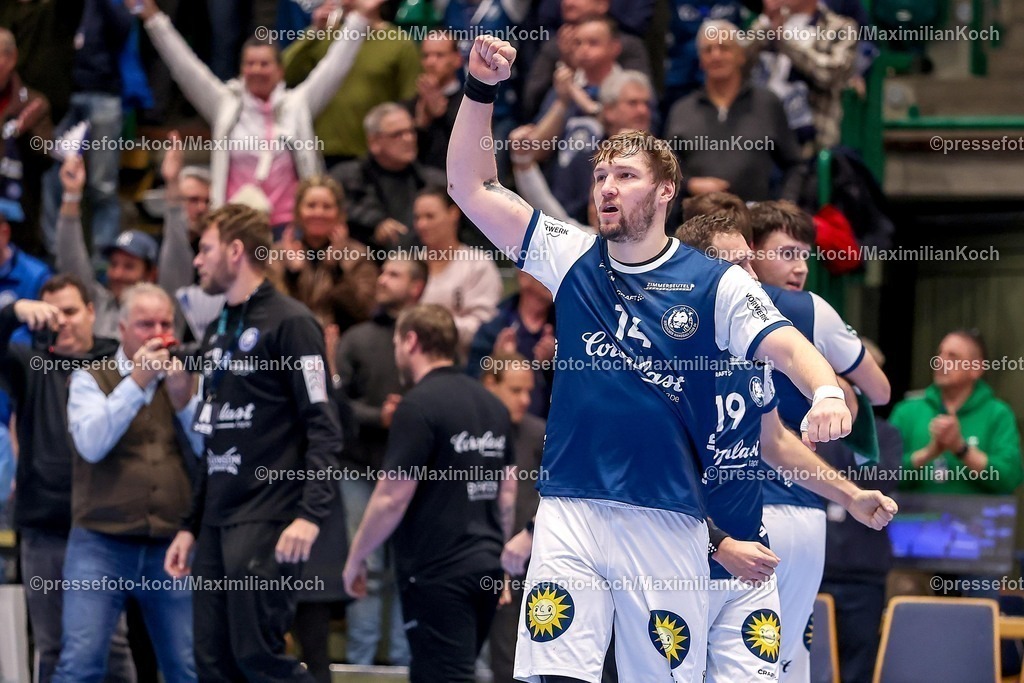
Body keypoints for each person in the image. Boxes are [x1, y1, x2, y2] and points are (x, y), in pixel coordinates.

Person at [447, 36, 856, 682]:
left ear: (665, 191)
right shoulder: (571, 257)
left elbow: (785, 342)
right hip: (571, 505)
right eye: (600, 177)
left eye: (625, 176)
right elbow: (470, 185)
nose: (607, 188)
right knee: (552, 673)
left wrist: (826, 390)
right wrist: (479, 89)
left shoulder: (715, 282)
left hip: (666, 519)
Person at [675, 214, 895, 682]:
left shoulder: (751, 352)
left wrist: (851, 496)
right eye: (739, 265)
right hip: (682, 562)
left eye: (751, 263)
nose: (753, 277)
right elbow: (653, 475)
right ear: (697, 274)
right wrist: (718, 544)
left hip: (751, 561)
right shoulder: (661, 356)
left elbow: (774, 441)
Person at [162, 204, 343, 681]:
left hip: (268, 514)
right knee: (211, 663)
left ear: (236, 250)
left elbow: (323, 426)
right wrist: (191, 525)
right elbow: (213, 435)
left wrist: (310, 514)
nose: (197, 261)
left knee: (258, 659)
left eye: (205, 249)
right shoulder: (218, 329)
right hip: (217, 521)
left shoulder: (292, 323)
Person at [744, 199, 891, 683]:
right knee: (784, 658)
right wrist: (835, 381)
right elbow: (880, 390)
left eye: (805, 256)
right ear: (750, 251)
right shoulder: (808, 310)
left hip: (717, 513)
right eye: (786, 253)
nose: (801, 267)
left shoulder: (692, 303)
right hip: (792, 508)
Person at [342, 304, 517, 682]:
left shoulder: (417, 406)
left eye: (396, 344)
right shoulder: (494, 406)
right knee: (450, 671)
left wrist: (356, 557)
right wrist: (502, 562)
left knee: (442, 676)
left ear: (411, 341)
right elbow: (506, 494)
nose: (396, 353)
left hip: (439, 571)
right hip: (486, 566)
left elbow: (392, 497)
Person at [53, 284, 198, 683]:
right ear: (121, 329)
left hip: (169, 543)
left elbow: (212, 453)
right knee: (80, 664)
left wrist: (186, 403)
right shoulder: (89, 377)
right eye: (145, 324)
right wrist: (135, 383)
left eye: (166, 324)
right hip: (100, 541)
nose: (158, 335)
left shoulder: (184, 378)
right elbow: (91, 444)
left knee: (187, 667)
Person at [133, 0, 383, 225]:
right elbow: (184, 66)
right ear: (241, 70)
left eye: (265, 64)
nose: (257, 70)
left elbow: (334, 68)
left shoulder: (298, 105)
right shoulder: (225, 104)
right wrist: (154, 19)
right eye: (250, 64)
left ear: (280, 71)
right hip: (235, 225)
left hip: (289, 228)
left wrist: (360, 18)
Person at [0, 275, 133, 683]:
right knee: (53, 646)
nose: (62, 322)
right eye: (52, 314)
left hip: (106, 527)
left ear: (92, 312)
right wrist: (13, 312)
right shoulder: (30, 364)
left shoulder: (118, 361)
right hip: (45, 528)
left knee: (112, 647)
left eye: (71, 311)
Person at [334, 256, 427, 666]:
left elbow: (443, 392)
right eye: (382, 272)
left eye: (394, 274)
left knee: (409, 570)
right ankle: (359, 666)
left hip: (413, 474)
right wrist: (379, 417)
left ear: (416, 287)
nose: (382, 279)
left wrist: (409, 414)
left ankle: (406, 666)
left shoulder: (429, 338)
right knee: (366, 570)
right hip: (360, 469)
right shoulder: (357, 338)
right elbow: (336, 406)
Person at [665, 20, 803, 202]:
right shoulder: (682, 110)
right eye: (708, 50)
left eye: (724, 48)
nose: (716, 56)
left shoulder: (767, 104)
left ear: (741, 56)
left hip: (755, 215)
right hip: (696, 216)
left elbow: (795, 165)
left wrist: (785, 205)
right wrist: (689, 184)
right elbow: (664, 173)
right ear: (700, 60)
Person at [56, 154, 192, 340]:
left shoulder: (165, 308)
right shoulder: (97, 304)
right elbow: (70, 259)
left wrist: (173, 184)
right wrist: (71, 194)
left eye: (129, 266)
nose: (118, 274)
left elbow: (177, 254)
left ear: (150, 274)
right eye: (114, 264)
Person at [283, 0, 420, 167]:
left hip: (374, 155)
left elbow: (409, 102)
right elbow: (283, 74)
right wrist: (314, 31)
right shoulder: (325, 34)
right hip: (322, 152)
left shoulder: (399, 43)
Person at [890, 328, 1021, 493]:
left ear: (976, 368)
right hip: (913, 510)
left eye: (953, 356)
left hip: (978, 511)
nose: (940, 361)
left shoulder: (998, 414)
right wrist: (927, 453)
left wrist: (961, 449)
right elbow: (881, 475)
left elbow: (1010, 478)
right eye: (940, 354)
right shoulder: (906, 411)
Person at [481, 352, 546, 683]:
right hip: (481, 557)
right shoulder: (471, 431)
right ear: (490, 384)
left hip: (533, 558)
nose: (525, 400)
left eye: (529, 391)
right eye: (515, 390)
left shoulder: (539, 434)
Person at [331, 103, 446, 249]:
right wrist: (374, 224)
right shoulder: (345, 177)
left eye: (411, 131)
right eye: (397, 134)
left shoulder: (435, 182)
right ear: (374, 142)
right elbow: (334, 211)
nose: (409, 139)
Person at [413, 187, 503, 358]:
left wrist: (432, 325)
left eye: (430, 216)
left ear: (453, 214)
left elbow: (484, 326)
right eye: (417, 218)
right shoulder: (410, 264)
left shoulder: (477, 265)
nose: (421, 225)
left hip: (463, 362)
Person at [405, 31, 464, 170]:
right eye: (426, 56)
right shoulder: (410, 105)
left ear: (457, 59)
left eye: (439, 55)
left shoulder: (471, 104)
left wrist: (442, 116)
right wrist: (420, 125)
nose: (431, 62)